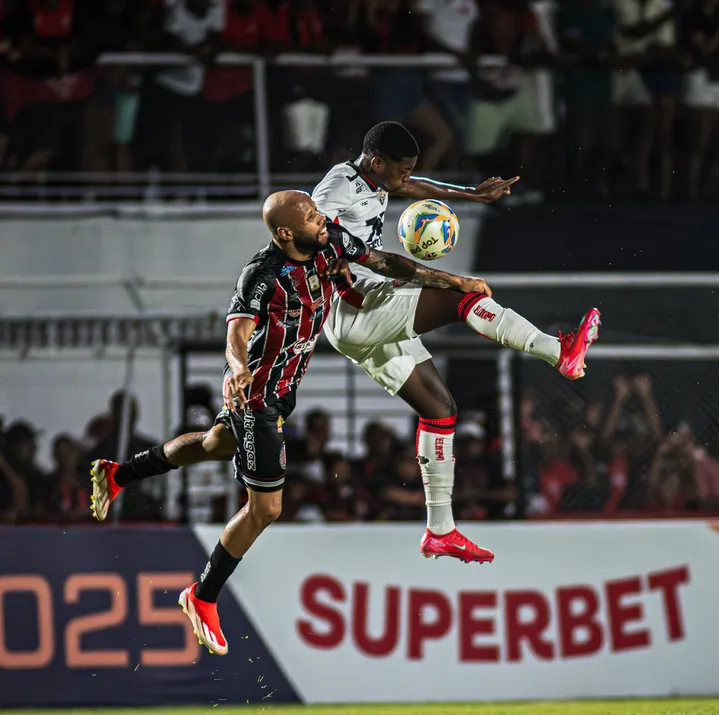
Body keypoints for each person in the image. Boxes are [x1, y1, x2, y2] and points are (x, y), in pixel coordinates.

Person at [89, 189, 496, 656]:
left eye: (316, 209)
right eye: (308, 215)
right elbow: (236, 333)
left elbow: (386, 263)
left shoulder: (332, 243)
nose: (320, 217)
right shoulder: (261, 275)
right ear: (285, 232)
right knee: (267, 509)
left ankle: (118, 472)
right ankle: (200, 596)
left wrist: (453, 281)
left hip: (281, 392)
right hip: (255, 395)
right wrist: (238, 367)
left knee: (215, 444)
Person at [311, 121, 600, 561]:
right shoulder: (338, 185)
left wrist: (471, 194)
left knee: (441, 409)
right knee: (458, 295)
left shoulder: (373, 178)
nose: (407, 179)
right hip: (356, 308)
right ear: (376, 163)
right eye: (402, 170)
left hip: (357, 319)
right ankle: (557, 351)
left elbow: (412, 188)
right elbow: (318, 228)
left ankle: (440, 530)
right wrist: (448, 277)